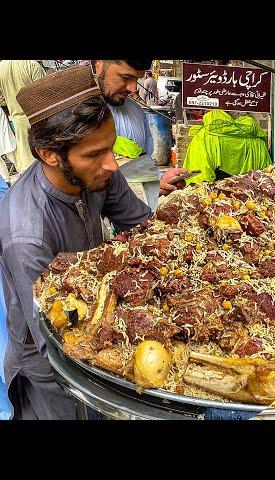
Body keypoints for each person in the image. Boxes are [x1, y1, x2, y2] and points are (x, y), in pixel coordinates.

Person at [0, 66, 153, 419]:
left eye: (110, 148)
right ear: (49, 154)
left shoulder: (96, 173)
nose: (112, 164)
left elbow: (142, 225)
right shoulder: (28, 235)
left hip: (93, 319)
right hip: (48, 366)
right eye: (94, 154)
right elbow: (51, 343)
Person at [93, 60, 185, 196]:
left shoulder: (136, 111)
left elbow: (141, 167)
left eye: (137, 79)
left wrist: (158, 179)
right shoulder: (73, 115)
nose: (133, 88)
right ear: (99, 64)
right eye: (125, 77)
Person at [0, 60, 46, 173]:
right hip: (38, 120)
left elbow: (1, 98)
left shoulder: (1, 67)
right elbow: (45, 94)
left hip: (18, 121)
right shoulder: (32, 65)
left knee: (27, 164)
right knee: (44, 161)